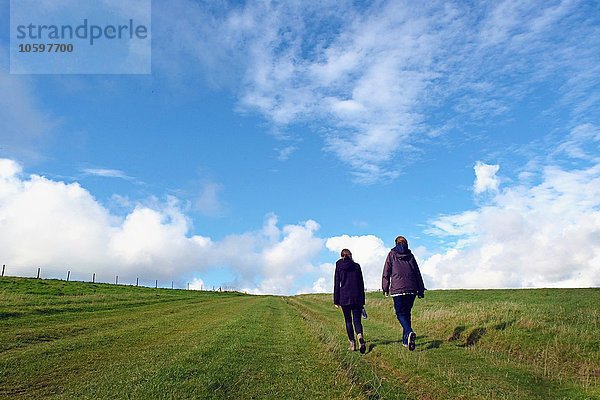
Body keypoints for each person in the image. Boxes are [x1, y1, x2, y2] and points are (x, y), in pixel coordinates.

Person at [382, 236, 426, 351]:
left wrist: (385, 288)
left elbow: (386, 271)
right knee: (407, 313)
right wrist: (420, 289)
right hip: (411, 289)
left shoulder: (391, 254)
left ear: (396, 243)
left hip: (398, 290)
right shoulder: (410, 255)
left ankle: (409, 331)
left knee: (400, 314)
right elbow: (417, 272)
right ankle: (405, 341)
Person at [334, 248, 367, 354]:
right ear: (351, 255)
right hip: (356, 297)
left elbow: (336, 283)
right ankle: (360, 336)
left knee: (348, 321)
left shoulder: (339, 266)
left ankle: (352, 344)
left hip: (344, 297)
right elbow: (361, 284)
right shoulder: (356, 266)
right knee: (357, 321)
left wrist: (336, 300)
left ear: (341, 256)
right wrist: (362, 300)